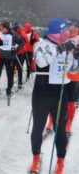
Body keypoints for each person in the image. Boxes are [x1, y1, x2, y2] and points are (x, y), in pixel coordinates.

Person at [30, 18, 75, 174]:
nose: (68, 34)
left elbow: (74, 71)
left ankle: (60, 160)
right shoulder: (41, 45)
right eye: (65, 31)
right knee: (38, 128)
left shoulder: (69, 45)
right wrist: (60, 49)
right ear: (56, 33)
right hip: (42, 92)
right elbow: (41, 63)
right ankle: (36, 157)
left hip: (60, 92)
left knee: (60, 129)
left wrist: (76, 56)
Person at [0, 22, 24, 96]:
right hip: (0, 56)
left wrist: (16, 49)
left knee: (9, 74)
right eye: (1, 27)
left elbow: (22, 42)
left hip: (10, 57)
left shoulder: (13, 35)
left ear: (7, 28)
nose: (1, 29)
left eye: (3, 27)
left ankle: (9, 89)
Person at [12, 22, 29, 89]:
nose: (14, 30)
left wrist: (22, 39)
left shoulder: (22, 33)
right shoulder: (13, 33)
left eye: (15, 28)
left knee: (19, 68)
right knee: (12, 68)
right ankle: (11, 81)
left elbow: (27, 41)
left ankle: (20, 82)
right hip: (13, 53)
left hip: (20, 53)